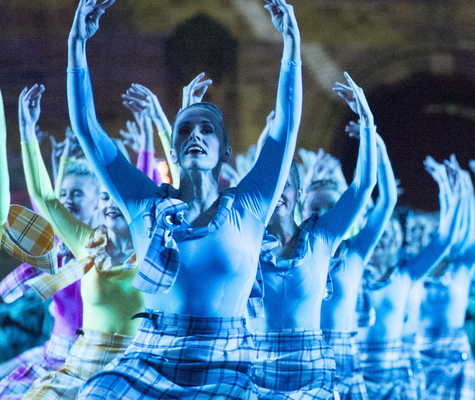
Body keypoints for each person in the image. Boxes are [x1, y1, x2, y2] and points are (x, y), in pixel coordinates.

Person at [67, 0, 303, 396]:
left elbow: (286, 128)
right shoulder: (146, 204)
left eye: (207, 129)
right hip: (153, 356)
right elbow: (88, 131)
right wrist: (77, 44)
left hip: (225, 360)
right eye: (184, 129)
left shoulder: (248, 206)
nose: (195, 134)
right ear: (174, 149)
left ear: (224, 150)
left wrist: (292, 43)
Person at [15, 82, 165, 400]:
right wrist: (26, 131)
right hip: (79, 362)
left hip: (132, 367)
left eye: (119, 197)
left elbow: (169, 189)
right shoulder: (88, 244)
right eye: (107, 196)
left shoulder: (152, 249)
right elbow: (45, 198)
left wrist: (155, 134)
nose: (112, 202)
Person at [248, 74, 380, 399]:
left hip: (312, 380)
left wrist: (367, 125)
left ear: (297, 193)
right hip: (259, 378)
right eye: (272, 185)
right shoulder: (246, 239)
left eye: (286, 184)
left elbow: (363, 187)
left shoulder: (319, 239)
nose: (278, 191)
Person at [360, 158, 463, 400]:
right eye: (377, 234)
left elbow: (444, 240)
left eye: (389, 233)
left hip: (397, 381)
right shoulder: (355, 274)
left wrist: (451, 194)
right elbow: (355, 214)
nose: (381, 240)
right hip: (360, 379)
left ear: (398, 240)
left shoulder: (407, 275)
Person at [406, 158, 475, 400]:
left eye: (427, 229)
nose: (419, 234)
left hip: (454, 357)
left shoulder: (460, 268)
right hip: (418, 356)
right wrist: (447, 186)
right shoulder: (409, 271)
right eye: (415, 229)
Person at [320, 126, 399, 400]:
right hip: (305, 364)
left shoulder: (354, 255)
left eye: (330, 207)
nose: (322, 215)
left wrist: (378, 145)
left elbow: (387, 200)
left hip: (347, 363)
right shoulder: (296, 256)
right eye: (314, 208)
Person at [0, 88, 61, 400]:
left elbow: (45, 198)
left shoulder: (89, 249)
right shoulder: (54, 247)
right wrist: (25, 131)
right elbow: (44, 198)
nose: (69, 204)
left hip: (48, 346)